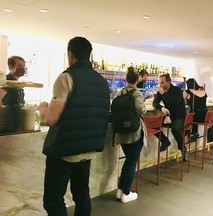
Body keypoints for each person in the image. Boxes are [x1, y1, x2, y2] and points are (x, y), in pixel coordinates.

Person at [42, 37, 110, 216]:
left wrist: (43, 108)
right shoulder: (101, 81)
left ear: (70, 54)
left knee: (53, 198)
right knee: (81, 194)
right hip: (88, 147)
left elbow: (51, 119)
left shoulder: (66, 77)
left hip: (64, 149)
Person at [114, 67, 146, 203]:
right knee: (132, 161)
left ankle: (121, 189)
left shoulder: (120, 92)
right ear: (137, 80)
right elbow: (141, 110)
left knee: (129, 159)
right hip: (134, 132)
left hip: (121, 131)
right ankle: (126, 193)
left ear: (126, 79)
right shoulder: (137, 93)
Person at [153, 73, 188, 161]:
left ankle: (183, 149)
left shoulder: (177, 90)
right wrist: (162, 108)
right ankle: (165, 141)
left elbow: (174, 102)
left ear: (168, 82)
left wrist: (164, 94)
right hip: (168, 116)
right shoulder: (161, 92)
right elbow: (155, 103)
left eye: (162, 83)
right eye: (159, 83)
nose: (160, 85)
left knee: (175, 129)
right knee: (152, 124)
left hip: (179, 116)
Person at [0, 56, 26, 132]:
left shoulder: (17, 82)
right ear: (10, 67)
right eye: (19, 66)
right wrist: (3, 117)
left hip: (15, 120)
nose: (22, 68)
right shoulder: (8, 80)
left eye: (23, 66)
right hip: (8, 123)